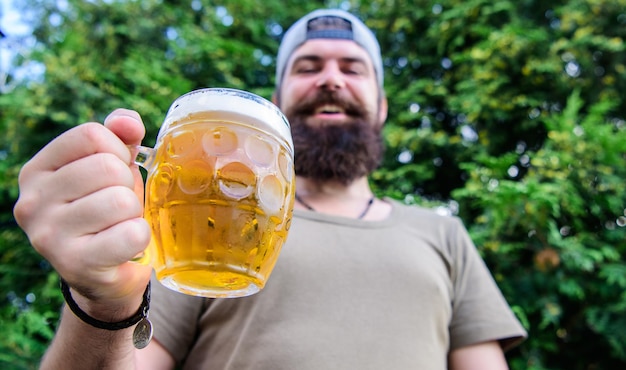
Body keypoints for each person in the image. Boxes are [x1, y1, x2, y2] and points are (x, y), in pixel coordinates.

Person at [13, 8, 526, 370]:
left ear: (382, 105)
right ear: (278, 102)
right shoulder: (193, 228)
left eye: (352, 68)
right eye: (309, 67)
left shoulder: (444, 233)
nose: (331, 80)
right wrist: (102, 304)